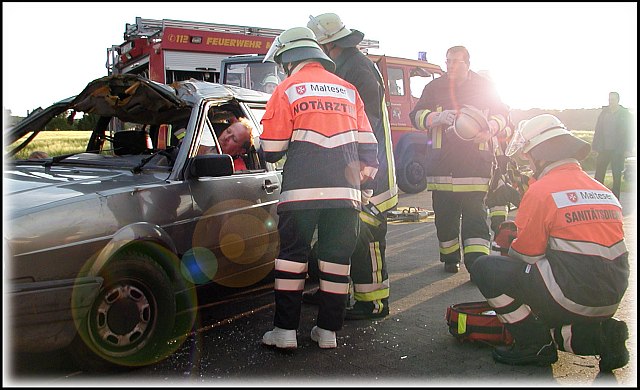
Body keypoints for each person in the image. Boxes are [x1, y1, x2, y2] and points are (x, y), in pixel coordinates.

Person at [470, 114, 629, 371]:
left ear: (541, 155)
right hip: (610, 296)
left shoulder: (543, 190)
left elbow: (526, 256)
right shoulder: (602, 190)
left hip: (570, 296)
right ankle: (603, 335)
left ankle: (534, 344)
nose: (530, 164)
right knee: (549, 280)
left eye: (530, 157)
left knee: (485, 267)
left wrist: (509, 243)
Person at [258, 27, 379, 349]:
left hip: (301, 193)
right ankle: (328, 332)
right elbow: (370, 147)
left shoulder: (288, 88)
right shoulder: (348, 89)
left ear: (286, 59)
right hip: (345, 195)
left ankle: (284, 333)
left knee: (292, 258)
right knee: (337, 260)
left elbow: (271, 149)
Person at [305, 12, 398, 320]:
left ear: (326, 43)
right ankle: (336, 291)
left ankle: (372, 302)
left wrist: (359, 171)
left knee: (367, 235)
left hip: (368, 169)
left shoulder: (358, 69)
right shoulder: (346, 65)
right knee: (341, 233)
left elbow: (364, 126)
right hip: (351, 168)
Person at [409, 45, 510, 275]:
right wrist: (436, 117)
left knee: (475, 219)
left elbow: (503, 115)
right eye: (448, 61)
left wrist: (491, 127)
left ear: (468, 63)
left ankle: (477, 266)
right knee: (445, 219)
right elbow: (415, 116)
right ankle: (450, 257)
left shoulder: (484, 87)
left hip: (475, 165)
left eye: (456, 61)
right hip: (442, 166)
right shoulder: (434, 87)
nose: (451, 66)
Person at [592, 91, 634, 199]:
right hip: (603, 149)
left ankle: (615, 200)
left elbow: (631, 132)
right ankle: (598, 197)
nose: (611, 102)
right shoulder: (604, 113)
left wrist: (628, 149)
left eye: (613, 99)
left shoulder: (625, 114)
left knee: (616, 176)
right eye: (609, 99)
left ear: (618, 100)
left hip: (618, 150)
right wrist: (595, 147)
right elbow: (598, 130)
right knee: (599, 175)